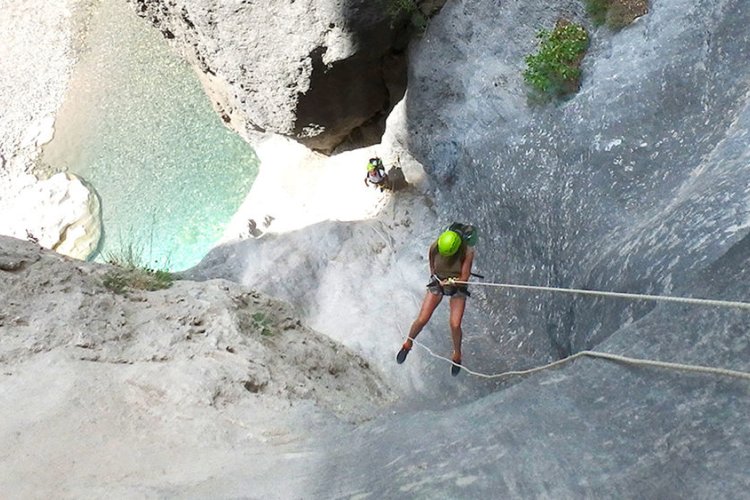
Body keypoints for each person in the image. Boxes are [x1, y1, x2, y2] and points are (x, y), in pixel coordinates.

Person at [397, 223, 477, 376]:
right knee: (422, 318)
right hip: (438, 282)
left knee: (455, 324)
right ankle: (408, 343)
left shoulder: (467, 252)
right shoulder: (436, 246)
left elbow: (465, 277)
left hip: (457, 286)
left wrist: (454, 282)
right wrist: (434, 276)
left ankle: (457, 355)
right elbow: (432, 262)